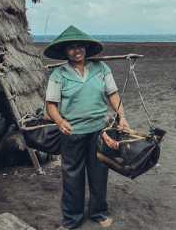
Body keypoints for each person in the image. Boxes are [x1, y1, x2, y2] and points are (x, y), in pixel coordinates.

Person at [43, 25, 129, 229]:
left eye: (79, 46)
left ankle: (98, 212)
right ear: (65, 51)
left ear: (86, 48)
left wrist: (122, 117)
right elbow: (51, 104)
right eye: (71, 47)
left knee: (99, 173)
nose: (76, 50)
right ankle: (72, 219)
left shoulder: (101, 68)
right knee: (72, 175)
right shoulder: (59, 74)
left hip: (99, 131)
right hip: (72, 132)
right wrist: (60, 121)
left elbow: (113, 94)